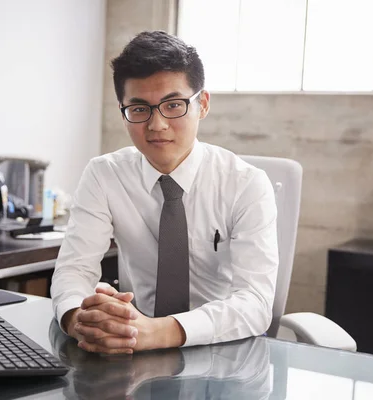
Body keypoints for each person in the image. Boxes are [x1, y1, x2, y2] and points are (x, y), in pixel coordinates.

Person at [51, 30, 279, 355]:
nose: (157, 125)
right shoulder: (104, 175)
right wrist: (79, 319)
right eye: (140, 109)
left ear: (202, 104)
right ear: (123, 110)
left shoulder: (246, 185)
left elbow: (255, 304)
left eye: (173, 105)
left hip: (223, 353)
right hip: (133, 349)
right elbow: (75, 269)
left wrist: (156, 332)